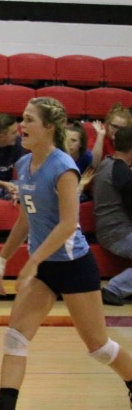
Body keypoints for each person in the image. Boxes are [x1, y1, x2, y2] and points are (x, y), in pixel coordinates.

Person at [0, 97, 132, 410]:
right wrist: (2, 258)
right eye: (22, 118)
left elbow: (69, 224)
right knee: (15, 336)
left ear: (49, 127)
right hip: (44, 267)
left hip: (73, 266)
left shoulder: (63, 167)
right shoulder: (24, 163)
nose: (22, 125)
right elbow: (26, 219)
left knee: (99, 347)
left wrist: (33, 261)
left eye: (29, 120)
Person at [92, 126, 132, 306]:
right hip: (118, 232)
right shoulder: (122, 172)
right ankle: (113, 289)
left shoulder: (106, 163)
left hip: (110, 230)